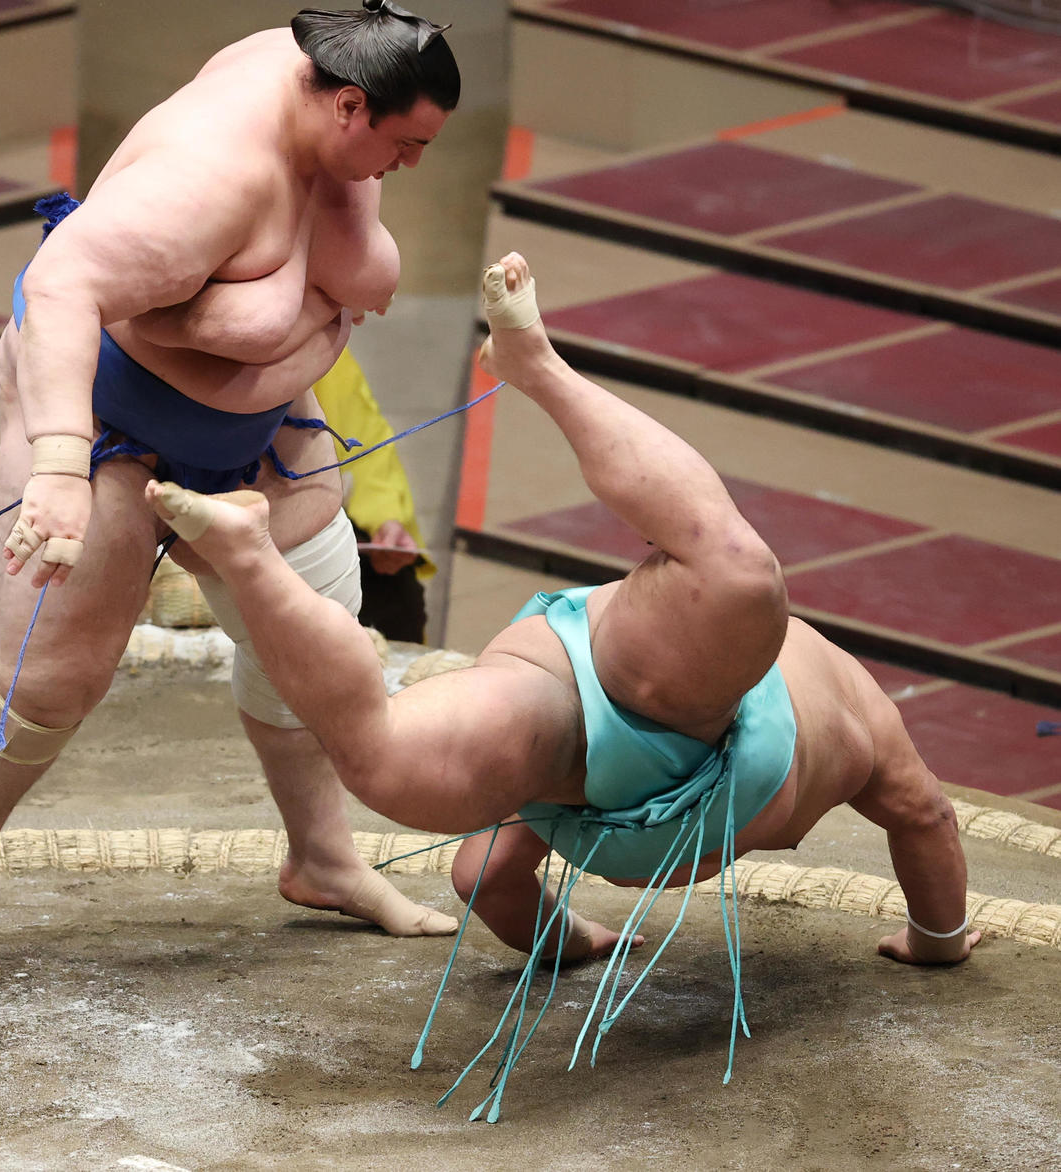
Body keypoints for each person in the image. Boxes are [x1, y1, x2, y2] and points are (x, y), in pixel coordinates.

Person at [144, 252, 980, 1094]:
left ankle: (250, 558)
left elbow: (482, 879)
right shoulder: (860, 708)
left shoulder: (788, 667)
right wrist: (936, 943)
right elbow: (924, 814)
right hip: (649, 708)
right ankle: (525, 367)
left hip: (578, 688)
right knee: (733, 577)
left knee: (389, 758)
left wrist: (571, 941)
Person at [0, 0, 463, 987]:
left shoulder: (334, 90)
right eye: (404, 144)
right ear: (346, 106)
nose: (408, 166)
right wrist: (57, 463)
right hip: (108, 426)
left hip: (260, 436)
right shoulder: (205, 179)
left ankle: (322, 856)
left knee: (314, 631)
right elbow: (60, 288)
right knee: (47, 681)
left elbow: (320, 279)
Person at [312, 347, 435, 643]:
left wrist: (386, 520)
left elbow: (365, 447)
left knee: (396, 596)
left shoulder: (320, 343)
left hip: (323, 526)